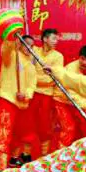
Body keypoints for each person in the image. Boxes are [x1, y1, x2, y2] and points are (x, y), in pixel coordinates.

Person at [0, 35, 38, 171]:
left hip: (22, 105)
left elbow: (32, 85)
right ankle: (1, 170)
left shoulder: (31, 65)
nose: (29, 48)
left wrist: (26, 95)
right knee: (4, 135)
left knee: (19, 135)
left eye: (32, 46)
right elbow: (6, 48)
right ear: (19, 43)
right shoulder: (11, 55)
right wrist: (11, 36)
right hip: (7, 100)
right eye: (26, 44)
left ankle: (13, 161)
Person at [53, 45, 86, 149]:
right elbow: (70, 94)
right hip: (62, 100)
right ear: (79, 57)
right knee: (69, 128)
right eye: (82, 58)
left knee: (84, 129)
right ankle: (61, 158)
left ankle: (79, 156)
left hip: (76, 102)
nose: (84, 62)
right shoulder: (71, 69)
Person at [29, 28, 64, 158]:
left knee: (45, 126)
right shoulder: (34, 52)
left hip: (46, 96)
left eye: (57, 39)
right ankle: (26, 155)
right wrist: (33, 79)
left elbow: (53, 79)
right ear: (44, 39)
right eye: (54, 38)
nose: (57, 41)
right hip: (31, 94)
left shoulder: (58, 56)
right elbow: (27, 72)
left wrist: (33, 79)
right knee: (29, 125)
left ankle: (44, 156)